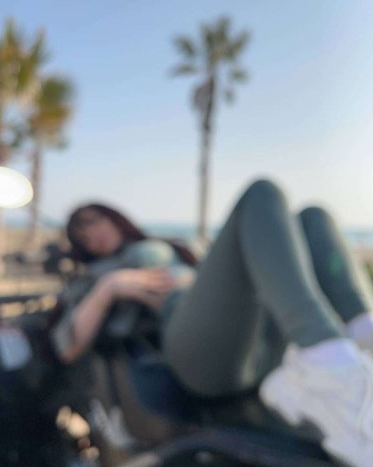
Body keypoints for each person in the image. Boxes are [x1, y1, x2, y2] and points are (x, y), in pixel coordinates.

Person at [52, 179, 373, 467]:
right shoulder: (96, 276)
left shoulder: (170, 247)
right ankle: (332, 369)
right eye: (81, 235)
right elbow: (67, 346)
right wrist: (109, 287)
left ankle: (363, 340)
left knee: (313, 217)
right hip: (195, 351)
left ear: (113, 217)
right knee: (262, 193)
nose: (91, 235)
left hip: (256, 342)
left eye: (93, 221)